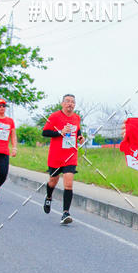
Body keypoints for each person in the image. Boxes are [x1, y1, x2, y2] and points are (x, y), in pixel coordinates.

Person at [42, 94, 82, 225]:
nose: (70, 104)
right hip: (56, 156)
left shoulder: (77, 118)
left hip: (70, 156)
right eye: (68, 101)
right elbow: (45, 132)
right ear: (62, 103)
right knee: (53, 181)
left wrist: (80, 137)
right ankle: (48, 197)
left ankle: (65, 213)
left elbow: (77, 131)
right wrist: (59, 132)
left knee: (68, 183)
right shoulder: (54, 116)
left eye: (72, 102)